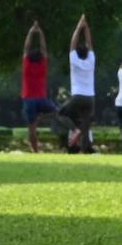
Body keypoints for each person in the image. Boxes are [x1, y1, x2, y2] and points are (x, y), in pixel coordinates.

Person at [21, 22, 58, 153]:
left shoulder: (26, 66)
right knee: (56, 112)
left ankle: (35, 150)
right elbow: (44, 48)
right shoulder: (43, 66)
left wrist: (31, 32)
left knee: (31, 128)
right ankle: (40, 119)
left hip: (29, 99)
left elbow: (26, 48)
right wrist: (40, 32)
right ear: (41, 58)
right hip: (41, 99)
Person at [63, 15, 96, 153]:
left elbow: (73, 43)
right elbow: (90, 44)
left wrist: (79, 27)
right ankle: (85, 149)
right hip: (90, 98)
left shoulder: (74, 61)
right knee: (86, 124)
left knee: (61, 114)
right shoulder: (91, 61)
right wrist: (86, 28)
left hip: (77, 96)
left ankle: (74, 130)